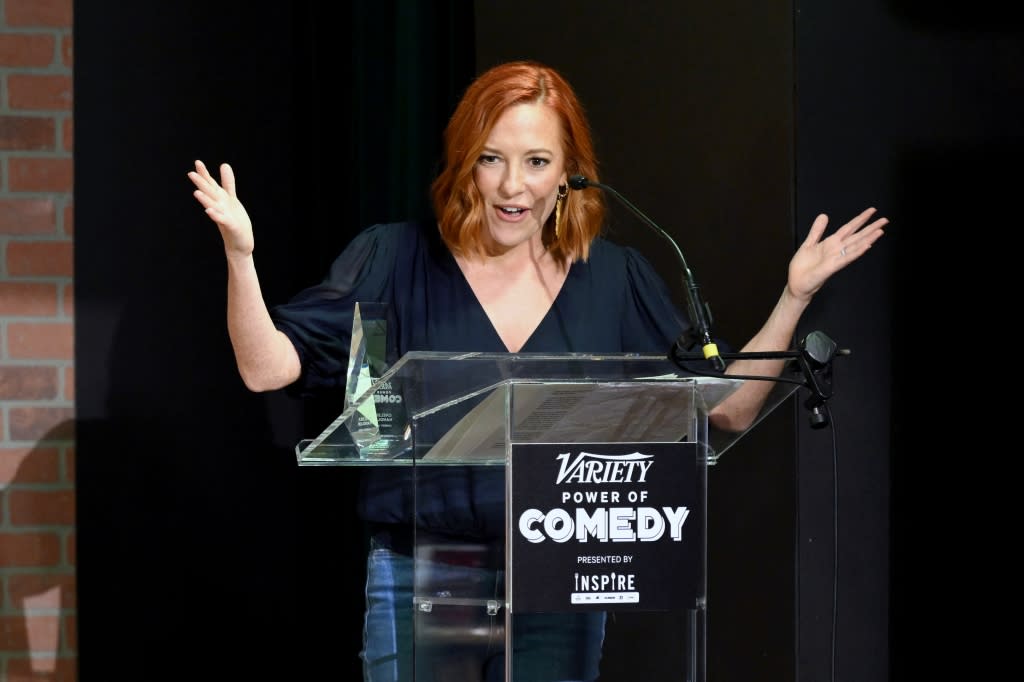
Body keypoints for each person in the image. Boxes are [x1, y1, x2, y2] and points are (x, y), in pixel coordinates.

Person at [189, 60, 887, 681]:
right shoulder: (396, 259)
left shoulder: (613, 278)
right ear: (465, 162)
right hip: (421, 575)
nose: (511, 185)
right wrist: (240, 256)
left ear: (568, 172)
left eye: (536, 161)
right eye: (491, 159)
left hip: (562, 576)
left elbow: (726, 411)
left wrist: (794, 296)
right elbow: (266, 369)